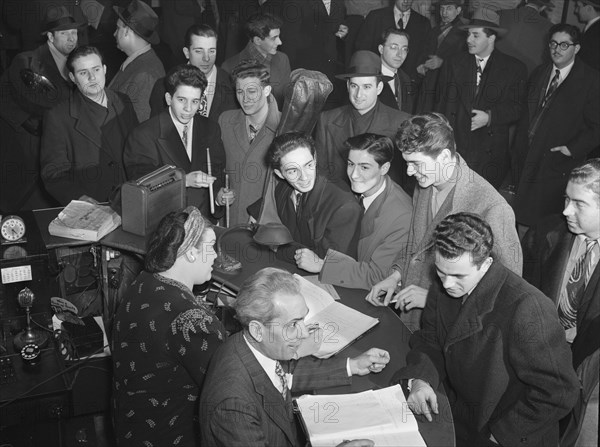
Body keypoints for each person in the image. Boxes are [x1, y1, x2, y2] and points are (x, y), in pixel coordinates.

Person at [392, 212, 579, 446]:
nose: (447, 284)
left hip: (506, 431)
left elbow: (559, 390)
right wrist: (421, 379)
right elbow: (430, 340)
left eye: (458, 275)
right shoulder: (444, 286)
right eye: (441, 272)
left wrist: (501, 434)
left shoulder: (528, 307)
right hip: (461, 418)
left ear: (486, 264)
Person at [199, 267, 389, 447]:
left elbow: (284, 375)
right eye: (293, 324)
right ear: (257, 330)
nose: (304, 333)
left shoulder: (255, 346)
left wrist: (352, 366)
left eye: (303, 320)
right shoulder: (233, 407)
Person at [365, 113, 522, 332]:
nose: (410, 172)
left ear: (445, 156)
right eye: (407, 163)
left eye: (416, 164)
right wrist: (395, 276)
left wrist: (432, 299)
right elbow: (416, 244)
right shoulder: (426, 184)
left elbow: (506, 291)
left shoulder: (493, 208)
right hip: (413, 320)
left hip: (456, 330)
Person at [112, 206, 225, 447]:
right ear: (191, 253)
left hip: (131, 428)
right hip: (172, 435)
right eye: (211, 246)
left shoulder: (143, 282)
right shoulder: (191, 320)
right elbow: (229, 382)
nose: (216, 255)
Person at [523, 159, 600, 447]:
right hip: (534, 360)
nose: (566, 210)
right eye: (566, 199)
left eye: (579, 203)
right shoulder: (546, 232)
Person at [296, 133, 413, 290]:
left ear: (384, 168)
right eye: (351, 164)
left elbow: (377, 275)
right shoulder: (361, 189)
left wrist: (322, 265)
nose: (354, 175)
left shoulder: (401, 216)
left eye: (364, 167)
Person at [513, 23, 600, 229]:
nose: (556, 49)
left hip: (559, 163)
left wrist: (572, 148)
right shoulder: (539, 72)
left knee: (547, 224)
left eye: (564, 45)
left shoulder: (591, 80)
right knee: (519, 218)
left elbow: (597, 126)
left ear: (576, 48)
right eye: (553, 43)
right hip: (528, 158)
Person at [124, 64, 232, 221]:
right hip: (163, 226)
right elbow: (141, 186)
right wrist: (184, 180)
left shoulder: (210, 128)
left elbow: (215, 173)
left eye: (195, 101)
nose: (188, 109)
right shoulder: (143, 135)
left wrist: (218, 197)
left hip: (202, 223)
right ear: (169, 98)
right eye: (182, 100)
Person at [0, 5, 82, 211]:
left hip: (52, 144)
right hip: (24, 145)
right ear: (50, 37)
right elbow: (42, 106)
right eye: (64, 34)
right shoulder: (28, 62)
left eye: (74, 33)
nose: (72, 39)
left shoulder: (77, 63)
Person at [435, 8, 527, 188]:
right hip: (455, 147)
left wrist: (490, 117)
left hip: (489, 152)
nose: (468, 40)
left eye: (475, 35)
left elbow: (518, 108)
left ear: (491, 38)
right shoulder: (453, 63)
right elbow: (440, 104)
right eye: (468, 34)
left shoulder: (514, 68)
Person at [40, 45, 138, 205]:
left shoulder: (123, 101)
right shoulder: (58, 116)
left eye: (96, 69)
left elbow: (139, 149)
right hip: (94, 208)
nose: (92, 77)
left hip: (132, 200)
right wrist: (78, 198)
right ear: (72, 77)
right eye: (83, 72)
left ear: (105, 69)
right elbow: (53, 173)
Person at [259, 131, 362, 263]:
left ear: (315, 158)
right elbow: (266, 204)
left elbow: (330, 262)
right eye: (292, 171)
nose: (305, 177)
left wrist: (277, 247)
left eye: (308, 165)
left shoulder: (345, 207)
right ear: (279, 174)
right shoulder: (283, 187)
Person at [314, 50, 411, 191]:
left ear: (379, 88)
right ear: (347, 86)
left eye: (366, 87)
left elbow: (404, 181)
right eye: (354, 86)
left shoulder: (401, 122)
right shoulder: (326, 119)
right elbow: (321, 172)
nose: (359, 94)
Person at [219, 59, 281, 225]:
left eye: (252, 91)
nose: (245, 98)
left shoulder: (285, 127)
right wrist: (218, 193)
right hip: (231, 221)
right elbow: (217, 166)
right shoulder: (225, 121)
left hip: (266, 225)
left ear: (267, 90)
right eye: (240, 92)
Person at [149, 24, 237, 121]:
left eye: (211, 51)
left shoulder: (233, 86)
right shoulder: (163, 87)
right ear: (187, 53)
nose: (206, 58)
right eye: (199, 51)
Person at [108, 0, 165, 122]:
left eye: (118, 29)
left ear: (128, 31)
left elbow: (138, 127)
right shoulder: (138, 61)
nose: (114, 34)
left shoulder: (146, 75)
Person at [355, 0, 431, 90]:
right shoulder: (375, 17)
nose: (406, 1)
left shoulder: (423, 23)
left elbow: (425, 53)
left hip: (409, 86)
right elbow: (362, 50)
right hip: (376, 81)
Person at [221, 12, 290, 108]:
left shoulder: (283, 59)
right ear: (258, 40)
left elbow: (286, 102)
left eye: (279, 36)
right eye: (274, 38)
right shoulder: (229, 67)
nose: (280, 42)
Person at [415, 0, 468, 113]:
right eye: (442, 8)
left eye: (449, 8)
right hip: (429, 85)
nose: (444, 12)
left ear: (458, 10)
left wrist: (443, 62)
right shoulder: (434, 30)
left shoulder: (465, 32)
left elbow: (467, 62)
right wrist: (422, 65)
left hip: (449, 88)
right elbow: (424, 53)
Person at [496, 0, 553, 75]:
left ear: (525, 0)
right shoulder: (551, 28)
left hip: (494, 72)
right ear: (544, 7)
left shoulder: (499, 14)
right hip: (526, 79)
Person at [377, 28, 415, 114]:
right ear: (381, 49)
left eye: (404, 49)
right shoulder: (370, 77)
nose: (399, 54)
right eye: (394, 47)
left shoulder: (405, 78)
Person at [574, 0, 600, 71]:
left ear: (589, 8)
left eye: (578, 7)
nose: (576, 10)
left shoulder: (596, 30)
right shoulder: (593, 27)